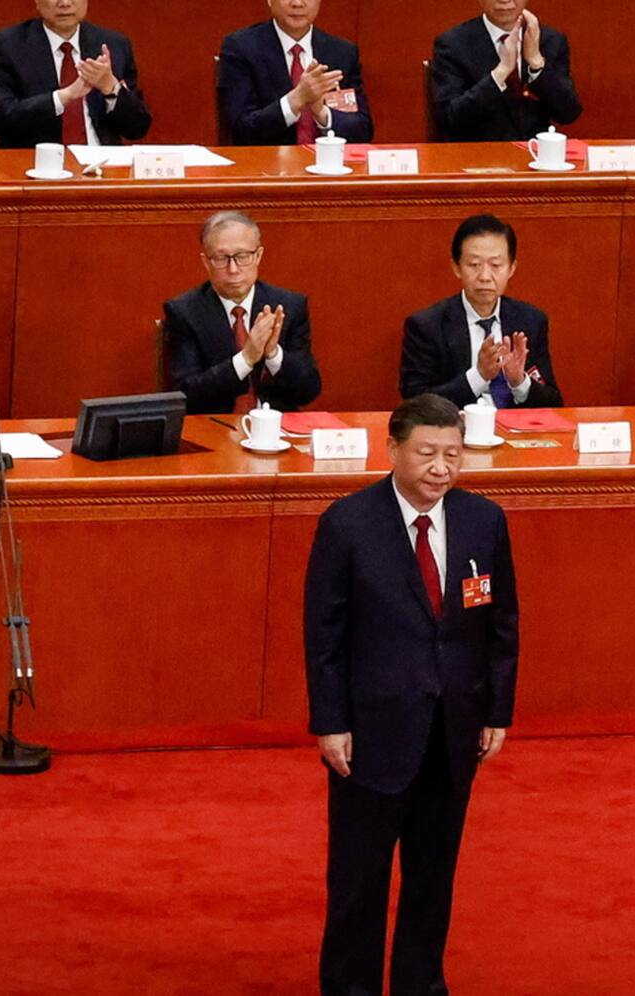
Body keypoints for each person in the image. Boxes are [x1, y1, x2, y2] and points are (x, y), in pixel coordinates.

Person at [305, 393, 519, 996]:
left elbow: (500, 625)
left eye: (453, 454)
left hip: (453, 731)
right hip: (371, 733)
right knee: (358, 880)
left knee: (433, 877)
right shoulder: (347, 524)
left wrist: (496, 710)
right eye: (426, 453)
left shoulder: (485, 520)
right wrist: (330, 721)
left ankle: (421, 984)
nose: (440, 467)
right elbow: (323, 634)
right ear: (394, 450)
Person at [162, 211, 322, 415]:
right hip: (215, 431)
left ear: (258, 256)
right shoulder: (184, 312)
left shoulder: (289, 305)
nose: (233, 269)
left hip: (277, 431)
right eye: (221, 258)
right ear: (206, 262)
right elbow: (186, 395)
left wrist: (274, 354)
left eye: (242, 256)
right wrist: (246, 359)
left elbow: (308, 391)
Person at [400, 215, 563, 410]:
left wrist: (519, 382)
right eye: (474, 264)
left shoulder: (531, 320)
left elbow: (553, 403)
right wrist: (479, 376)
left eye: (496, 265)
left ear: (511, 268)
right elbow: (415, 402)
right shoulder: (426, 325)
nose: (485, 276)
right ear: (456, 268)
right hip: (456, 431)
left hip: (517, 434)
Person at [0, 0, 152, 149]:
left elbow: (138, 128)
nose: (64, 3)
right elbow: (1, 118)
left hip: (101, 165)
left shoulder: (114, 44)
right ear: (37, 2)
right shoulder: (9, 45)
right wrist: (65, 96)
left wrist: (111, 89)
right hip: (38, 164)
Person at [219, 0, 373, 146]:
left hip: (328, 167)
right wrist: (295, 100)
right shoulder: (241, 48)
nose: (297, 3)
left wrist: (322, 113)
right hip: (266, 167)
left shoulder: (342, 52)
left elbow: (362, 130)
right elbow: (239, 130)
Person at [430, 1, 581, 142]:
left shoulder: (550, 39)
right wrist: (501, 72)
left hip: (535, 157)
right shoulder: (453, 44)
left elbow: (568, 113)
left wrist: (536, 63)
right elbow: (449, 120)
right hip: (477, 157)